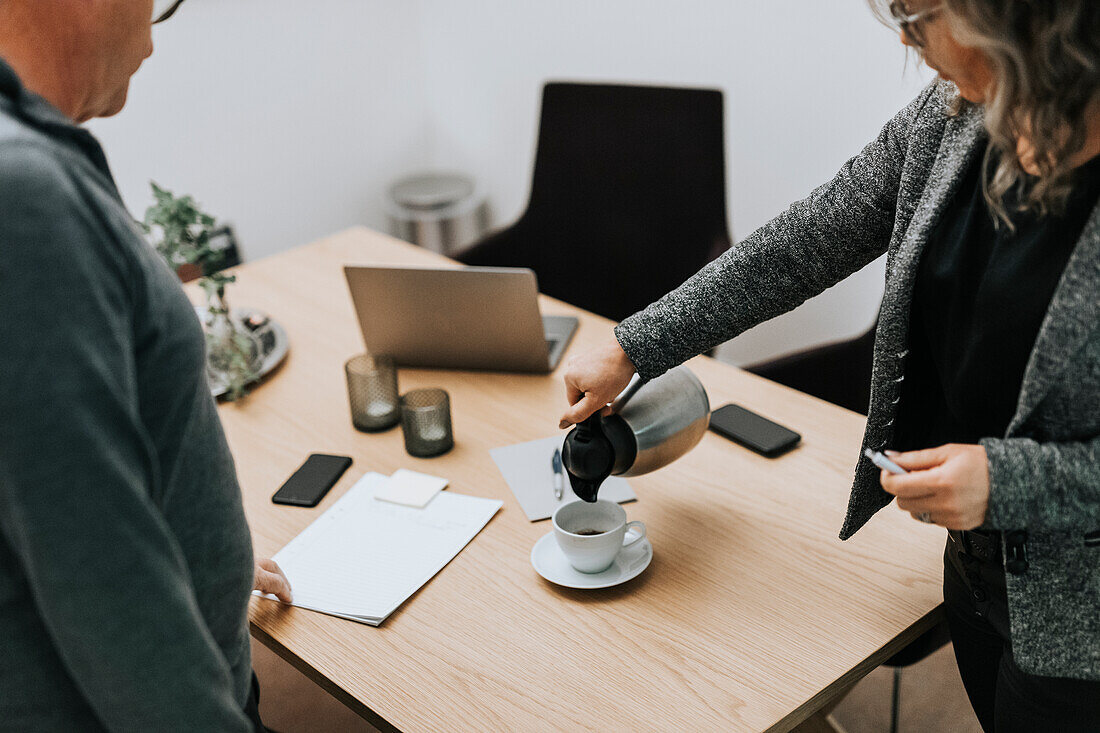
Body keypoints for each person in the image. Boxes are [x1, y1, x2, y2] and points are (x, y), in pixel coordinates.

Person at [560, 1, 1100, 730]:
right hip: (974, 564)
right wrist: (636, 344)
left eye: (918, 12)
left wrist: (1009, 482)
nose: (905, 38)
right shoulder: (956, 113)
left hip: (1083, 621)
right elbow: (809, 238)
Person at [0, 1, 291, 730]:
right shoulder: (21, 194)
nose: (155, 34)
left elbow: (48, 493)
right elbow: (103, 587)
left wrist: (195, 567)